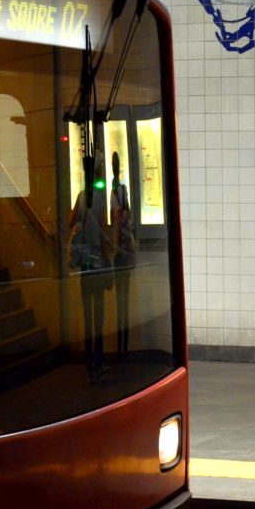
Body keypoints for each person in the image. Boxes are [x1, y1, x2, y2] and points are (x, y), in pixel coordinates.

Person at [69, 155, 113, 381]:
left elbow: (71, 223)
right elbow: (105, 232)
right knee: (100, 316)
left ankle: (90, 366)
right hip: (98, 263)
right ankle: (99, 361)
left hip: (85, 265)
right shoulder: (99, 198)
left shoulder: (82, 196)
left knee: (88, 317)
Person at [110, 151, 136, 363]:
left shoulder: (114, 192)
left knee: (121, 302)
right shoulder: (121, 193)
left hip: (119, 254)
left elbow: (116, 224)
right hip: (125, 255)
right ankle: (123, 349)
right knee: (124, 301)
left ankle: (122, 349)